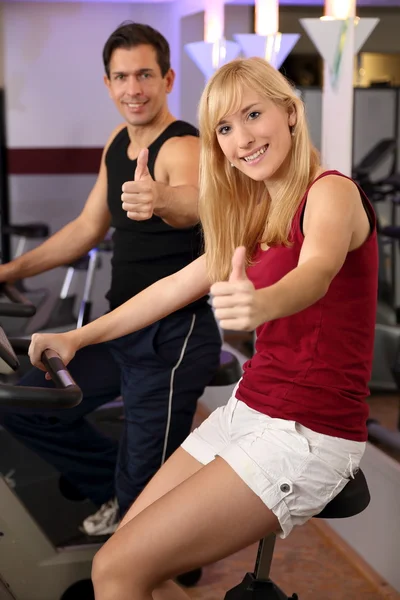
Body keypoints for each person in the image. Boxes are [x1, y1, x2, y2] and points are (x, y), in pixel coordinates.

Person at [28, 56, 378, 600]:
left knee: (116, 572)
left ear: (289, 112)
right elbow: (172, 288)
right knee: (128, 559)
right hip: (250, 409)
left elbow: (316, 272)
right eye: (225, 128)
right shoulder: (254, 210)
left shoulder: (331, 191)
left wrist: (262, 304)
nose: (242, 138)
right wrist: (78, 337)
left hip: (308, 432)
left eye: (253, 115)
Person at [0, 21, 221, 536]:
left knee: (145, 484)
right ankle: (117, 495)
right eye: (121, 77)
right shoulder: (118, 142)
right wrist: (7, 270)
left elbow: (193, 202)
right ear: (108, 84)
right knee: (26, 410)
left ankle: (147, 530)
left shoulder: (179, 145)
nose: (133, 89)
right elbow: (84, 229)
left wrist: (161, 199)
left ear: (167, 78)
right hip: (120, 324)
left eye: (145, 74)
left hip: (172, 335)